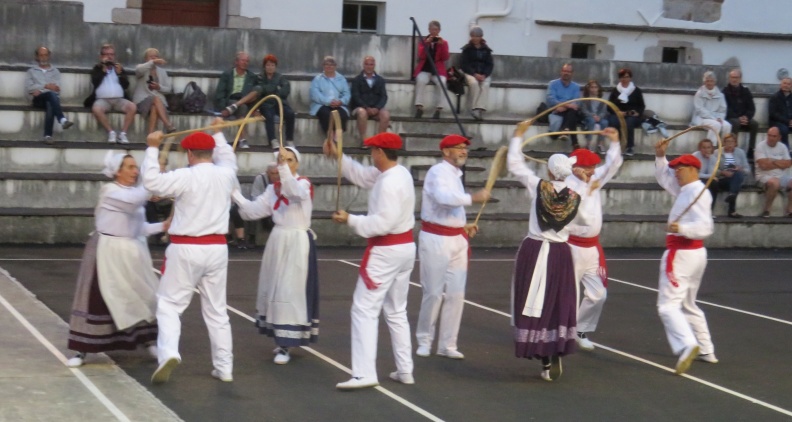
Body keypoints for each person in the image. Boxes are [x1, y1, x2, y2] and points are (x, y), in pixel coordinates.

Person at [142, 119, 239, 384]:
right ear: (210, 152)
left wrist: (152, 148)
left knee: (169, 305)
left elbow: (152, 183)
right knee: (217, 311)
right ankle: (224, 367)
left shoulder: (186, 175)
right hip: (217, 249)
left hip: (186, 247)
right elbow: (228, 157)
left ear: (189, 154)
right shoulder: (227, 173)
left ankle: (169, 353)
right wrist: (218, 133)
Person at [325, 132, 416, 390]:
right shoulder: (400, 173)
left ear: (379, 152)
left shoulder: (389, 182)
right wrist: (339, 156)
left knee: (364, 309)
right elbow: (363, 175)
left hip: (386, 251)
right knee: (396, 310)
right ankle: (405, 369)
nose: (371, 154)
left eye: (373, 150)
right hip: (404, 248)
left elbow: (381, 224)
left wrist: (350, 219)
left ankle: (364, 373)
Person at [66, 152, 169, 367]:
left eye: (136, 167)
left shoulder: (134, 194)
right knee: (98, 298)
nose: (135, 171)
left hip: (132, 251)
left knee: (142, 296)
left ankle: (149, 341)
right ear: (117, 171)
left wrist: (163, 225)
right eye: (130, 167)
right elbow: (133, 202)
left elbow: (138, 228)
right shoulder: (110, 191)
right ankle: (81, 350)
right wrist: (152, 175)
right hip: (106, 251)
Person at [507, 121, 582, 382]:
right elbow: (584, 222)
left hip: (536, 248)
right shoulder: (575, 195)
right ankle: (554, 348)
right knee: (557, 301)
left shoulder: (538, 186)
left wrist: (518, 136)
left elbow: (515, 164)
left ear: (549, 170)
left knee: (533, 303)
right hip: (560, 253)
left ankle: (544, 357)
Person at [232, 146, 318, 365]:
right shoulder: (273, 189)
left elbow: (294, 192)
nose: (285, 164)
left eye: (290, 160)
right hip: (278, 241)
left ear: (297, 164)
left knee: (289, 291)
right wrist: (234, 193)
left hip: (297, 242)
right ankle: (281, 339)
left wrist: (284, 170)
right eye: (282, 160)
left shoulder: (303, 184)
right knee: (274, 289)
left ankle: (286, 343)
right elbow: (252, 211)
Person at [415, 134, 490, 360]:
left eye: (465, 148)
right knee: (433, 293)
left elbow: (451, 207)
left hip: (456, 238)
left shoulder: (456, 174)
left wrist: (463, 226)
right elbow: (443, 198)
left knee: (456, 294)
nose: (464, 151)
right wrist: (472, 198)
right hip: (436, 239)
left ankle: (447, 344)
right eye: (458, 148)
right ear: (446, 151)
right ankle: (424, 340)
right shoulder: (437, 172)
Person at [653, 141, 716, 375]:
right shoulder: (687, 189)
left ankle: (687, 344)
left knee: (667, 306)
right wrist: (661, 156)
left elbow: (705, 227)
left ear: (692, 169)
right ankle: (706, 348)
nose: (676, 173)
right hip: (694, 255)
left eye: (679, 169)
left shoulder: (697, 192)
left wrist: (681, 228)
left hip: (682, 253)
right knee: (689, 304)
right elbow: (664, 178)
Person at [564, 129, 623, 351]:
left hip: (592, 248)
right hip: (570, 246)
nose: (592, 171)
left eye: (593, 167)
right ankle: (560, 332)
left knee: (598, 294)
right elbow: (572, 206)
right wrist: (584, 184)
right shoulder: (566, 183)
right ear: (575, 168)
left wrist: (615, 142)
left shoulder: (594, 178)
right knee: (568, 294)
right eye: (587, 167)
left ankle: (580, 329)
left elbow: (613, 165)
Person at [223, 54, 295, 149]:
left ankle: (289, 140)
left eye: (272, 65)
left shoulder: (280, 77)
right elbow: (258, 91)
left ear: (275, 67)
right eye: (268, 65)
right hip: (265, 104)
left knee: (290, 114)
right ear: (264, 67)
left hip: (280, 102)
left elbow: (285, 91)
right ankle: (273, 140)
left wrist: (269, 90)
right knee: (268, 116)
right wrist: (275, 89)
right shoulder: (260, 78)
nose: (270, 67)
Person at [85, 43, 136, 144]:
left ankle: (123, 134)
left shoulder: (118, 68)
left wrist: (119, 74)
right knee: (96, 109)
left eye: (111, 54)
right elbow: (95, 82)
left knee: (132, 107)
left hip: (119, 99)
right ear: (101, 56)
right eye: (107, 54)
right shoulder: (97, 68)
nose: (109, 57)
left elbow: (126, 85)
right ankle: (111, 132)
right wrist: (103, 72)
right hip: (103, 100)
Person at [25, 46, 73, 144]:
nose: (43, 58)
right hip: (38, 99)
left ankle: (48, 136)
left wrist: (40, 89)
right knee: (51, 95)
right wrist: (46, 86)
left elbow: (57, 90)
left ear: (49, 56)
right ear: (37, 57)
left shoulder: (55, 72)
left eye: (45, 55)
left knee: (50, 102)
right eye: (41, 55)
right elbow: (29, 88)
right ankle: (62, 119)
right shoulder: (31, 71)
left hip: (51, 98)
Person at [215, 52, 257, 148]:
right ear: (236, 62)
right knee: (242, 107)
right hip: (230, 100)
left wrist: (256, 109)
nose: (245, 63)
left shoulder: (252, 77)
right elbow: (220, 93)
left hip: (244, 101)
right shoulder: (227, 75)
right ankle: (242, 139)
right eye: (243, 60)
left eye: (247, 61)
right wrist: (223, 108)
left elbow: (254, 95)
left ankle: (234, 107)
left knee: (243, 106)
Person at [134, 48, 176, 135]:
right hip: (142, 100)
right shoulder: (141, 68)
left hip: (158, 102)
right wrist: (153, 62)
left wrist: (159, 87)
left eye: (156, 56)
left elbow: (168, 89)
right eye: (151, 57)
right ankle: (168, 125)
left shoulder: (162, 72)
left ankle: (150, 135)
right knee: (155, 99)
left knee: (154, 106)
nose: (154, 58)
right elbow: (139, 70)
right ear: (146, 59)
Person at [413, 20, 450, 119]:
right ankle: (419, 107)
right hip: (425, 68)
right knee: (420, 80)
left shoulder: (444, 42)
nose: (434, 32)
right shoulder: (424, 41)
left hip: (437, 70)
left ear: (439, 30)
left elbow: (445, 57)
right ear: (429, 30)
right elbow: (421, 55)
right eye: (432, 29)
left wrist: (442, 45)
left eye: (436, 29)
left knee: (442, 82)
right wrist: (427, 44)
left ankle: (439, 109)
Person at [754, 127, 792, 217]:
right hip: (763, 176)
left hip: (781, 176)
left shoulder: (782, 147)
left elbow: (788, 163)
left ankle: (790, 209)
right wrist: (780, 163)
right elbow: (763, 166)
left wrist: (772, 161)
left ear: (779, 137)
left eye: (774, 136)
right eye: (769, 135)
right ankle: (767, 209)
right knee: (775, 183)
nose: (771, 138)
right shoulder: (760, 146)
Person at [350, 56, 391, 140]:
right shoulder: (357, 80)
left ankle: (380, 141)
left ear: (374, 65)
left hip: (376, 108)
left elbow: (384, 96)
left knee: (386, 114)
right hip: (360, 107)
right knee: (362, 113)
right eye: (367, 64)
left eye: (371, 64)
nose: (369, 66)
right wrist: (366, 107)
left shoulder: (380, 80)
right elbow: (355, 96)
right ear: (363, 65)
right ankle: (364, 140)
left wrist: (377, 108)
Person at [607, 68, 645, 157]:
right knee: (614, 122)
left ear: (630, 78)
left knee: (629, 123)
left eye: (627, 77)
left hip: (632, 115)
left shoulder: (636, 90)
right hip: (618, 114)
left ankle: (629, 146)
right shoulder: (615, 90)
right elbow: (609, 106)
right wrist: (618, 112)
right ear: (620, 78)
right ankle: (617, 145)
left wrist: (637, 113)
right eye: (622, 77)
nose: (625, 79)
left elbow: (641, 106)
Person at [459, 26, 493, 121]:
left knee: (485, 84)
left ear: (481, 37)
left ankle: (479, 109)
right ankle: (474, 108)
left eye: (477, 36)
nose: (475, 38)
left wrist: (485, 75)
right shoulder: (467, 49)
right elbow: (464, 65)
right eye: (473, 36)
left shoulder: (486, 50)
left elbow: (490, 65)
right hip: (470, 73)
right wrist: (474, 74)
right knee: (474, 84)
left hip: (483, 73)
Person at [310, 56, 350, 136]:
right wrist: (329, 102)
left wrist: (340, 101)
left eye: (332, 64)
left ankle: (337, 138)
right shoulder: (317, 79)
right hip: (322, 104)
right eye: (326, 64)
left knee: (342, 115)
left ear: (335, 66)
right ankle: (330, 137)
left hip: (338, 104)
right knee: (326, 115)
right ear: (323, 66)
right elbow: (315, 94)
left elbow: (347, 94)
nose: (329, 66)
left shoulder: (341, 79)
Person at [722, 69, 758, 158]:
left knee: (755, 124)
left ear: (740, 78)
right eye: (732, 77)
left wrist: (747, 117)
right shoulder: (725, 91)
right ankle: (734, 148)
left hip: (744, 118)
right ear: (729, 78)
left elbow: (752, 108)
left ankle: (751, 149)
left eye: (736, 77)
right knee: (736, 123)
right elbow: (725, 108)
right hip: (731, 117)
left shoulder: (746, 91)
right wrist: (738, 118)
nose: (734, 79)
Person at [690, 71, 732, 147]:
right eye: (707, 81)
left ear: (715, 82)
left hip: (717, 118)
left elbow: (723, 110)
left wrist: (719, 118)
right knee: (716, 125)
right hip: (702, 118)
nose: (709, 83)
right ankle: (711, 148)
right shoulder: (699, 94)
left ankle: (723, 148)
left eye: (711, 81)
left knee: (727, 126)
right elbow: (700, 110)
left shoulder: (720, 95)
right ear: (704, 82)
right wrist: (714, 118)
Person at [546, 63, 581, 149]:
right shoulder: (553, 84)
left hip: (568, 110)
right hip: (556, 109)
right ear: (561, 72)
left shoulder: (576, 87)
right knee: (572, 114)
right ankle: (574, 142)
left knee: (572, 112)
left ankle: (565, 130)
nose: (566, 73)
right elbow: (550, 99)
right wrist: (567, 105)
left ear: (572, 73)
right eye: (564, 71)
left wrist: (565, 106)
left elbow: (576, 102)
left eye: (568, 71)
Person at [716, 133, 749, 218]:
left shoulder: (740, 152)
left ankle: (732, 194)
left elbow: (747, 170)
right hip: (722, 179)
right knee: (736, 184)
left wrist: (740, 169)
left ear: (735, 143)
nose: (730, 144)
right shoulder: (717, 152)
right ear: (724, 143)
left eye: (732, 142)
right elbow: (713, 169)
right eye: (727, 141)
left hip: (736, 178)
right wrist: (722, 172)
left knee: (738, 175)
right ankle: (732, 210)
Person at [580, 80, 610, 152]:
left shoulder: (602, 101)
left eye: (595, 87)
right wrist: (593, 116)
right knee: (591, 121)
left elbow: (604, 111)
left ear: (598, 89)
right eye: (592, 87)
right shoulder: (585, 100)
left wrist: (599, 117)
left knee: (605, 122)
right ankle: (588, 144)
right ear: (589, 89)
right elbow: (584, 111)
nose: (594, 89)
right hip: (589, 118)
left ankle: (600, 144)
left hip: (599, 118)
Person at [692, 139, 719, 211]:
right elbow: (695, 174)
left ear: (712, 148)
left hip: (706, 179)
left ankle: (710, 210)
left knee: (714, 184)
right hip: (695, 179)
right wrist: (710, 176)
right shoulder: (695, 156)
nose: (706, 150)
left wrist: (709, 159)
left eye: (708, 147)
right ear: (700, 148)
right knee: (704, 184)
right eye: (704, 147)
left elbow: (712, 173)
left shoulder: (713, 158)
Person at [767, 77, 792, 147]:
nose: (786, 85)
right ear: (781, 84)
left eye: (788, 84)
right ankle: (786, 150)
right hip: (776, 122)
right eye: (784, 83)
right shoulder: (774, 97)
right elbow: (772, 114)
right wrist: (787, 121)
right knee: (784, 130)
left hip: (789, 122)